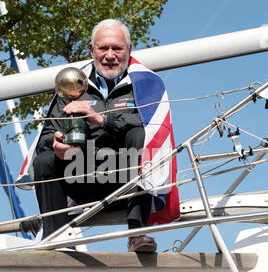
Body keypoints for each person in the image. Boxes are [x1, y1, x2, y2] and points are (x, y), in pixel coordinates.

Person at [33, 19, 179, 252]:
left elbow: (155, 130)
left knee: (139, 133)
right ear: (92, 50)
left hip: (126, 181)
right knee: (44, 159)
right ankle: (56, 241)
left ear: (129, 50)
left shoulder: (145, 84)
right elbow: (44, 138)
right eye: (103, 48)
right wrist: (56, 144)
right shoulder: (72, 83)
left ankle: (137, 234)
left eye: (117, 48)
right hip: (82, 177)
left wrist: (101, 118)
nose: (110, 55)